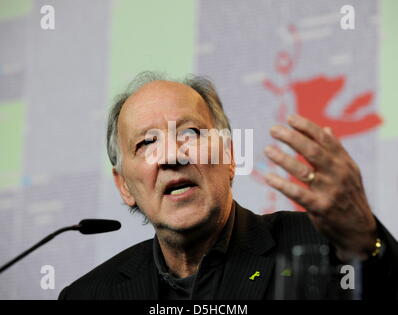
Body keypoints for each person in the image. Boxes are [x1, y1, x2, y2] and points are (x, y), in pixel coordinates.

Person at [59, 72, 398, 300]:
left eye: (189, 133)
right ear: (124, 186)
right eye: (146, 143)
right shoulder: (90, 295)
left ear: (230, 156)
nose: (171, 156)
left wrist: (368, 245)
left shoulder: (322, 248)